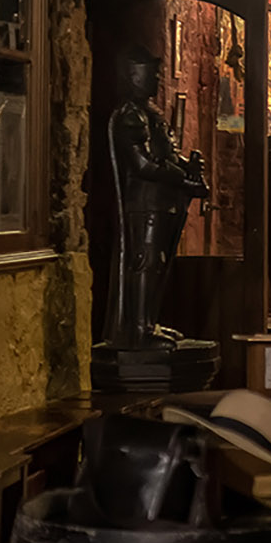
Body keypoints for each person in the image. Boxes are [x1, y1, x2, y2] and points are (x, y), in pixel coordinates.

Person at [104, 45, 209, 350]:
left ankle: (149, 322)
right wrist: (179, 176)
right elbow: (142, 163)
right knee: (145, 263)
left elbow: (166, 153)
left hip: (161, 201)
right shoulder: (130, 116)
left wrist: (187, 167)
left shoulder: (150, 113)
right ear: (134, 76)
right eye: (150, 73)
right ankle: (137, 329)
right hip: (144, 203)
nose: (155, 79)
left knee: (157, 263)